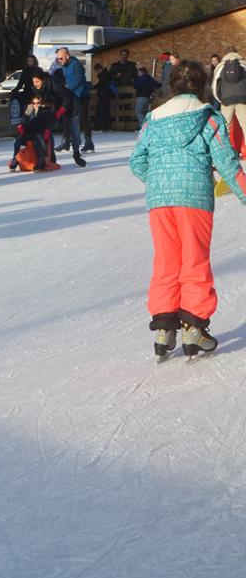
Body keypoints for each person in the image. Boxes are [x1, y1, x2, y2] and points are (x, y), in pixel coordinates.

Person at [130, 60, 246, 358]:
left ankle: (164, 327)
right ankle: (193, 328)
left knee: (167, 260)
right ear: (203, 85)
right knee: (194, 260)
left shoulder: (153, 119)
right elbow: (228, 163)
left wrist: (160, 180)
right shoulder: (208, 118)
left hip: (160, 199)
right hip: (194, 197)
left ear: (172, 86)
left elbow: (137, 162)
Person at [52, 48, 89, 166]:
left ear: (67, 56)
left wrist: (64, 91)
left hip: (81, 96)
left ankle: (87, 141)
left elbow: (77, 81)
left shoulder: (76, 65)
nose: (59, 60)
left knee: (81, 120)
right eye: (58, 59)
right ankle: (66, 141)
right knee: (68, 120)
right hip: (72, 98)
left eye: (61, 58)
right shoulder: (63, 66)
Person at [8, 96, 56, 172]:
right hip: (28, 132)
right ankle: (16, 159)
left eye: (38, 103)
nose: (36, 104)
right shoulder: (29, 111)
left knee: (38, 142)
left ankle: (41, 161)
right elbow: (24, 121)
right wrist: (22, 127)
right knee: (18, 142)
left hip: (39, 132)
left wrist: (46, 131)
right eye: (34, 103)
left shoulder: (44, 112)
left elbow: (48, 124)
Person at [211, 50, 246, 149]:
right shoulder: (244, 64)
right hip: (243, 99)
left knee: (225, 127)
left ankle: (224, 150)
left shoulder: (220, 66)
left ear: (225, 54)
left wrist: (220, 99)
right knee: (245, 125)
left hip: (226, 99)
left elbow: (214, 86)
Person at [92, 62, 113, 131]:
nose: (96, 73)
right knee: (106, 111)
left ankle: (99, 127)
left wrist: (93, 87)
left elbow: (100, 84)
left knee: (100, 111)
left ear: (98, 69)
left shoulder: (102, 75)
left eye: (96, 71)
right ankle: (107, 127)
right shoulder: (107, 74)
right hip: (107, 95)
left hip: (102, 94)